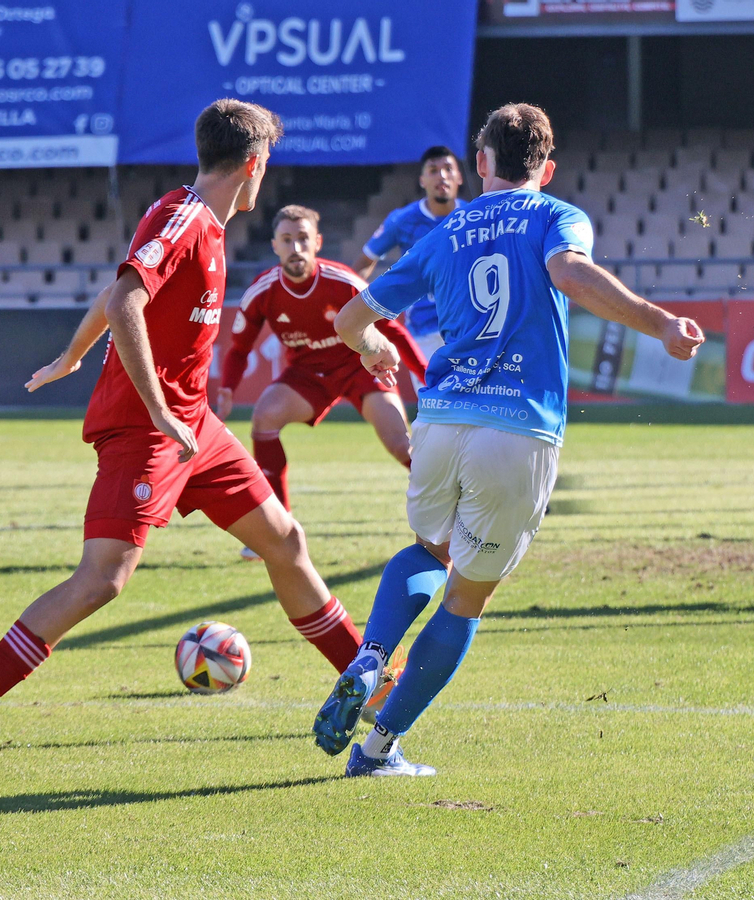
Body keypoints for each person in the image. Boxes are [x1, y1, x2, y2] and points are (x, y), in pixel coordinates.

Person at [0, 99, 366, 758]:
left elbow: (114, 293)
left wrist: (74, 356)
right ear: (251, 163)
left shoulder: (210, 226)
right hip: (146, 429)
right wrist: (158, 409)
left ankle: (369, 680)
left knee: (284, 539)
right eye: (266, 163)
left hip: (196, 427)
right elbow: (128, 297)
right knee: (102, 578)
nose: (266, 174)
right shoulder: (183, 217)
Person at [312, 103, 705, 776]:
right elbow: (572, 275)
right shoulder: (556, 214)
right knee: (466, 595)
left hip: (438, 421)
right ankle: (378, 749)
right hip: (517, 429)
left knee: (427, 549)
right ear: (546, 169)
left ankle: (370, 654)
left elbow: (350, 318)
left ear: (481, 163)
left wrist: (377, 349)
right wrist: (661, 322)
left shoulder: (442, 231)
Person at [216, 204, 428, 562]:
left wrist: (426, 375)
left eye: (302, 239)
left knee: (399, 444)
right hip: (308, 375)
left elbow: (391, 327)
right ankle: (275, 527)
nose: (295, 248)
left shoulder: (343, 281)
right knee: (264, 418)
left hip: (360, 364)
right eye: (287, 240)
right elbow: (238, 349)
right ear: (275, 245)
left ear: (317, 242)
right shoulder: (263, 291)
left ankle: (453, 508)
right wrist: (226, 389)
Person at [354, 145, 466, 360]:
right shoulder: (402, 220)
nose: (442, 176)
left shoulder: (475, 217)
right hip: (424, 336)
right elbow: (364, 263)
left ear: (459, 177)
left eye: (448, 169)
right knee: (432, 395)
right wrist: (358, 314)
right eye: (433, 170)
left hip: (468, 330)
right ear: (422, 180)